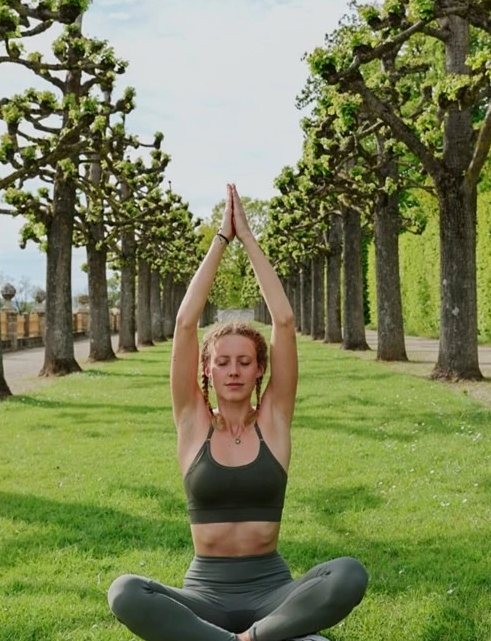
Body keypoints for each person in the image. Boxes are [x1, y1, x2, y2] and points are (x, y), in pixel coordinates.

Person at [108, 184, 368, 641]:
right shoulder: (192, 423)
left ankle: (247, 639)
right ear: (206, 369)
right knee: (125, 591)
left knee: (349, 574)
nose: (233, 371)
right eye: (222, 362)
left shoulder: (274, 422)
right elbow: (186, 324)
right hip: (203, 595)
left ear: (259, 369)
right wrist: (220, 241)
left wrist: (249, 237)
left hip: (273, 593)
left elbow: (283, 321)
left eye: (244, 362)